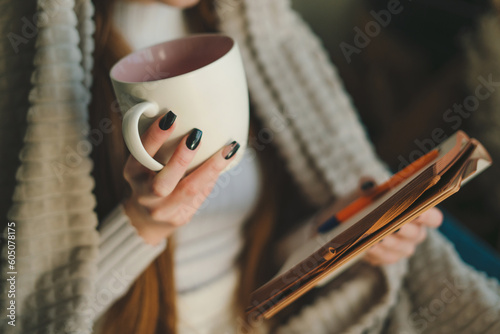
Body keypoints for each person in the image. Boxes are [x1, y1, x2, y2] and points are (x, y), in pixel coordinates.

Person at [1, 0, 499, 333]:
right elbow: (21, 312)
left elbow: (262, 254)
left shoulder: (250, 34)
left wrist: (338, 232)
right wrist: (141, 227)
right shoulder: (35, 63)